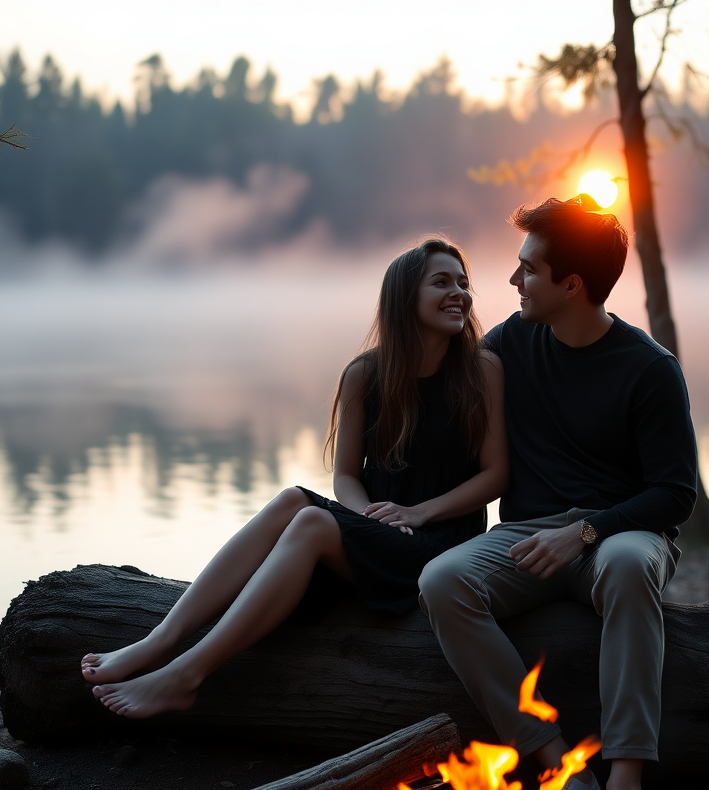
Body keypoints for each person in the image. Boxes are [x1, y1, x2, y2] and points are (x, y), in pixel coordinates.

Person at [83, 238, 509, 718]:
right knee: (292, 500)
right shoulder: (366, 375)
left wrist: (417, 513)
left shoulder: (481, 369)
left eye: (463, 283)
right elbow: (346, 475)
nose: (459, 293)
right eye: (441, 282)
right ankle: (158, 641)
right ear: (404, 296)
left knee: (309, 523)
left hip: (441, 548)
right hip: (382, 530)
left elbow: (496, 476)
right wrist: (369, 518)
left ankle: (185, 676)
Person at [418, 198, 698, 790]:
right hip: (528, 535)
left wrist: (587, 532)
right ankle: (560, 769)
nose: (512, 283)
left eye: (527, 271)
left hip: (622, 531)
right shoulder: (509, 346)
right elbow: (436, 394)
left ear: (571, 285)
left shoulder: (649, 368)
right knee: (443, 580)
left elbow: (676, 493)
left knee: (631, 567)